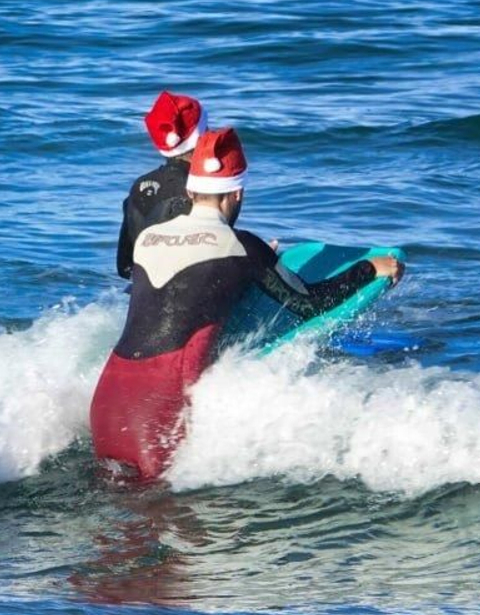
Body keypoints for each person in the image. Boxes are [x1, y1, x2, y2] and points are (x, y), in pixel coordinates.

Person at [91, 127, 402, 479]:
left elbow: (184, 286)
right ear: (236, 194)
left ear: (191, 189)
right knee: (165, 518)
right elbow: (309, 305)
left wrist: (252, 266)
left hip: (108, 399)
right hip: (158, 407)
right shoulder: (242, 247)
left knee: (116, 508)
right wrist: (369, 269)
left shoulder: (148, 237)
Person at [116, 90, 208, 279]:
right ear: (201, 136)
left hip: (140, 297)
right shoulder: (203, 189)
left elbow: (124, 266)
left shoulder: (138, 187)